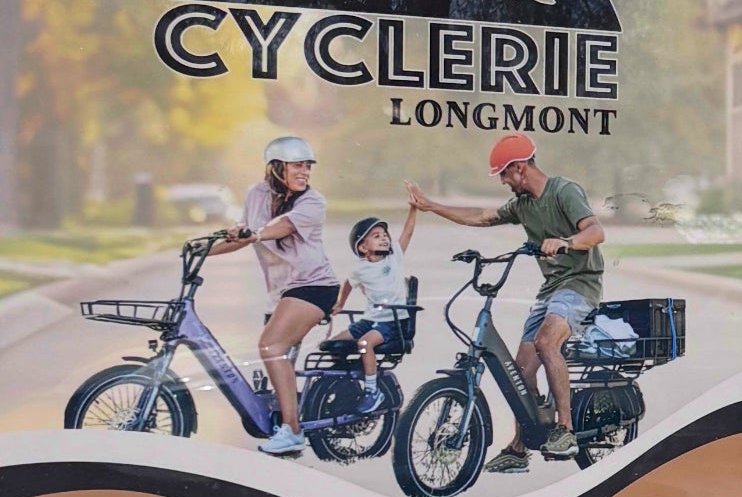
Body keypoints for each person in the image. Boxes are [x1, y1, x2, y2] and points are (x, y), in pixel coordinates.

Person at [408, 133, 606, 471]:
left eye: (504, 173)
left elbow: (595, 232)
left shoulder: (563, 191)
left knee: (546, 342)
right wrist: (431, 207)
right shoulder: (523, 205)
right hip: (551, 288)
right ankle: (518, 449)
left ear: (519, 167)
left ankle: (566, 429)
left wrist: (565, 242)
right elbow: (482, 217)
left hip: (580, 284)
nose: (502, 181)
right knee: (521, 373)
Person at [209, 135, 334, 456]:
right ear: (277, 168)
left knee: (270, 345)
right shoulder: (257, 194)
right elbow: (245, 235)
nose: (305, 171)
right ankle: (286, 421)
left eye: (308, 166)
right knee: (280, 361)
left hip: (314, 286)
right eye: (297, 166)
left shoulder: (313, 202)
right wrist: (204, 252)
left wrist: (255, 233)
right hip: (280, 293)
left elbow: (280, 228)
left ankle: (292, 431)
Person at [328, 209, 418, 410]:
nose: (384, 239)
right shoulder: (359, 268)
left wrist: (414, 209)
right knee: (333, 345)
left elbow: (408, 232)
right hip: (370, 319)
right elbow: (349, 283)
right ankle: (350, 386)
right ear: (362, 247)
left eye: (385, 235)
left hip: (392, 321)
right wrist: (340, 303)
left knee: (364, 344)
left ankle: (372, 391)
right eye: (376, 236)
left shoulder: (393, 258)